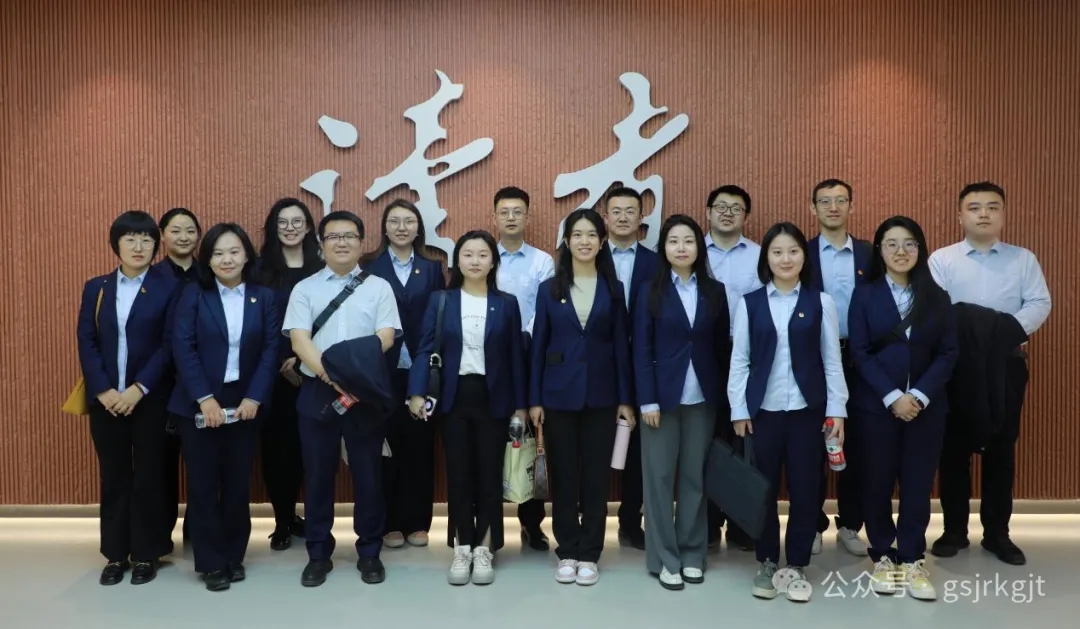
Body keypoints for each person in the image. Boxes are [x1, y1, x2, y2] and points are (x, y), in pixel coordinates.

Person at [928, 181, 1051, 566]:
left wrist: (1001, 333)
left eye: (992, 207)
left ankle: (998, 534)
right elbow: (936, 309)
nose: (984, 213)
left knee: (1001, 448)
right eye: (975, 207)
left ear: (1003, 214)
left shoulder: (1023, 259)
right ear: (960, 215)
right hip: (956, 365)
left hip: (1005, 363)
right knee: (953, 450)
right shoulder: (942, 260)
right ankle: (954, 530)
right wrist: (973, 334)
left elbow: (1039, 302)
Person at [728, 221, 847, 603]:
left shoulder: (820, 302)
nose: (785, 259)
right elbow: (740, 361)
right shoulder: (750, 303)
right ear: (766, 258)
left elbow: (832, 362)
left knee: (805, 489)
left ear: (803, 257)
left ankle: (795, 563)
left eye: (793, 251)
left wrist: (837, 411)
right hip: (762, 412)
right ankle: (766, 560)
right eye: (777, 252)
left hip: (807, 412)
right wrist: (739, 409)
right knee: (762, 490)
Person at [282, 210, 401, 587]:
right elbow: (299, 340)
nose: (342, 242)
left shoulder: (379, 287)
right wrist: (332, 375)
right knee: (318, 475)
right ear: (321, 245)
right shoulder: (305, 289)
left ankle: (370, 552)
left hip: (364, 391)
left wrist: (352, 372)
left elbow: (386, 336)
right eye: (333, 237)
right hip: (318, 390)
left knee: (368, 475)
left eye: (349, 236)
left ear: (362, 242)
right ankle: (318, 553)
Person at [848, 216, 959, 601]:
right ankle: (882, 554)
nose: (901, 251)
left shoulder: (937, 296)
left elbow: (948, 353)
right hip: (876, 407)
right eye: (891, 244)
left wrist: (920, 395)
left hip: (927, 409)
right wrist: (893, 396)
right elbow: (860, 352)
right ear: (879, 250)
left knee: (917, 484)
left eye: (909, 243)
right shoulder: (865, 295)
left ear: (920, 249)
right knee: (876, 481)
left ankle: (912, 557)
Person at [407, 230, 526, 586]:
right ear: (457, 261)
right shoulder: (442, 300)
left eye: (483, 255)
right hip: (453, 397)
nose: (475, 261)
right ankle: (462, 547)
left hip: (494, 398)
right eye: (468, 254)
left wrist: (520, 407)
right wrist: (416, 392)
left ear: (493, 262)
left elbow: (515, 358)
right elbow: (424, 348)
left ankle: (485, 548)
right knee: (458, 475)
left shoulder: (506, 303)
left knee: (489, 475)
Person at [168, 223, 280, 591]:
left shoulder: (264, 297)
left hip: (245, 404)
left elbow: (270, 351)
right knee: (203, 486)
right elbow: (183, 347)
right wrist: (205, 398)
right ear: (207, 259)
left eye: (233, 251)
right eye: (217, 253)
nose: (226, 259)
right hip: (198, 404)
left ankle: (234, 556)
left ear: (247, 255)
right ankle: (210, 561)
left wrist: (254, 397)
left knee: (236, 485)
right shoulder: (192, 294)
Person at [529, 208, 634, 586]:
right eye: (577, 235)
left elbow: (621, 346)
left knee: (595, 477)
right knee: (564, 476)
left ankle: (590, 551)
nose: (585, 241)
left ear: (602, 242)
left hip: (603, 396)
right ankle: (568, 549)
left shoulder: (614, 288)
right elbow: (538, 346)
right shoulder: (549, 289)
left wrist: (625, 398)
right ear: (566, 241)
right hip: (558, 396)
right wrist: (534, 399)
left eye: (592, 234)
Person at [76, 210, 182, 586]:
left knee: (149, 475)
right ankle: (115, 554)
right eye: (130, 239)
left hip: (150, 399)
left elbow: (170, 344)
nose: (139, 246)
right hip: (105, 400)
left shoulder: (169, 287)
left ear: (156, 245)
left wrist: (139, 388)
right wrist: (103, 389)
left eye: (146, 239)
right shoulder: (97, 288)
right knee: (114, 476)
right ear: (116, 244)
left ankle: (147, 553)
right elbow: (87, 340)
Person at [633, 215, 729, 590]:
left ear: (698, 247)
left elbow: (721, 349)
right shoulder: (649, 291)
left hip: (702, 398)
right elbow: (641, 350)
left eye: (688, 241)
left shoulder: (715, 291)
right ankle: (664, 557)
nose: (682, 248)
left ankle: (691, 553)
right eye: (673, 241)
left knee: (694, 478)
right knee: (658, 479)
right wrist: (647, 400)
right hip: (660, 401)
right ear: (664, 249)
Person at [361, 199, 446, 550]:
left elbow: (438, 319)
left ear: (418, 228)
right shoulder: (369, 266)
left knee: (419, 446)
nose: (401, 227)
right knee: (385, 446)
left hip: (421, 369)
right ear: (384, 227)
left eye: (408, 221)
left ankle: (417, 522)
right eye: (394, 221)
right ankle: (390, 523)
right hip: (381, 369)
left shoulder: (432, 268)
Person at [806, 179, 872, 557]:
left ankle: (850, 523)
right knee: (812, 444)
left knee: (858, 441)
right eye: (825, 201)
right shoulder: (801, 252)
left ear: (851, 206)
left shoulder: (869, 254)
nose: (833, 207)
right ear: (813, 208)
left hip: (860, 359)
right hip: (813, 358)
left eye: (841, 200)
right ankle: (812, 523)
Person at [255, 197, 323, 551]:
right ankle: (283, 520)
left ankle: (314, 520)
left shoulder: (322, 267)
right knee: (277, 450)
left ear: (309, 226)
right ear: (273, 227)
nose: (290, 228)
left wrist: (303, 361)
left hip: (316, 371)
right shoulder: (259, 269)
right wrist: (282, 361)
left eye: (298, 221)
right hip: (272, 373)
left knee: (312, 449)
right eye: (283, 222)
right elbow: (256, 322)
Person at [492, 186, 554, 551]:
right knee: (492, 441)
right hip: (489, 359)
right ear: (495, 217)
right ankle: (490, 526)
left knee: (530, 440)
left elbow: (543, 310)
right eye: (504, 212)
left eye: (518, 211)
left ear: (528, 217)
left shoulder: (542, 261)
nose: (511, 217)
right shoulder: (484, 256)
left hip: (531, 357)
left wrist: (523, 340)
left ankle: (532, 524)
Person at [702, 185, 761, 551]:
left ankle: (742, 525)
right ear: (708, 212)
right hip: (704, 354)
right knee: (706, 439)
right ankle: (708, 524)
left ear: (745, 216)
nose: (727, 213)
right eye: (720, 206)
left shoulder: (760, 256)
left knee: (743, 439)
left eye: (735, 208)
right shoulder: (691, 250)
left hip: (748, 356)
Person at [601, 186, 658, 551]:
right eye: (616, 211)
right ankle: (587, 520)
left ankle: (630, 521)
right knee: (592, 446)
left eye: (630, 211)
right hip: (597, 365)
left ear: (641, 218)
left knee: (638, 451)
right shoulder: (587, 255)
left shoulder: (656, 262)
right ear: (605, 217)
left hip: (641, 366)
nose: (623, 218)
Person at [155, 207, 202, 550]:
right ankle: (159, 537)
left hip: (202, 385)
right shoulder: (152, 276)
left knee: (202, 465)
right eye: (175, 230)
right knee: (161, 464)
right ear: (162, 236)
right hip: (160, 384)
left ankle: (198, 533)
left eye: (190, 230)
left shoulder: (211, 273)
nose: (183, 237)